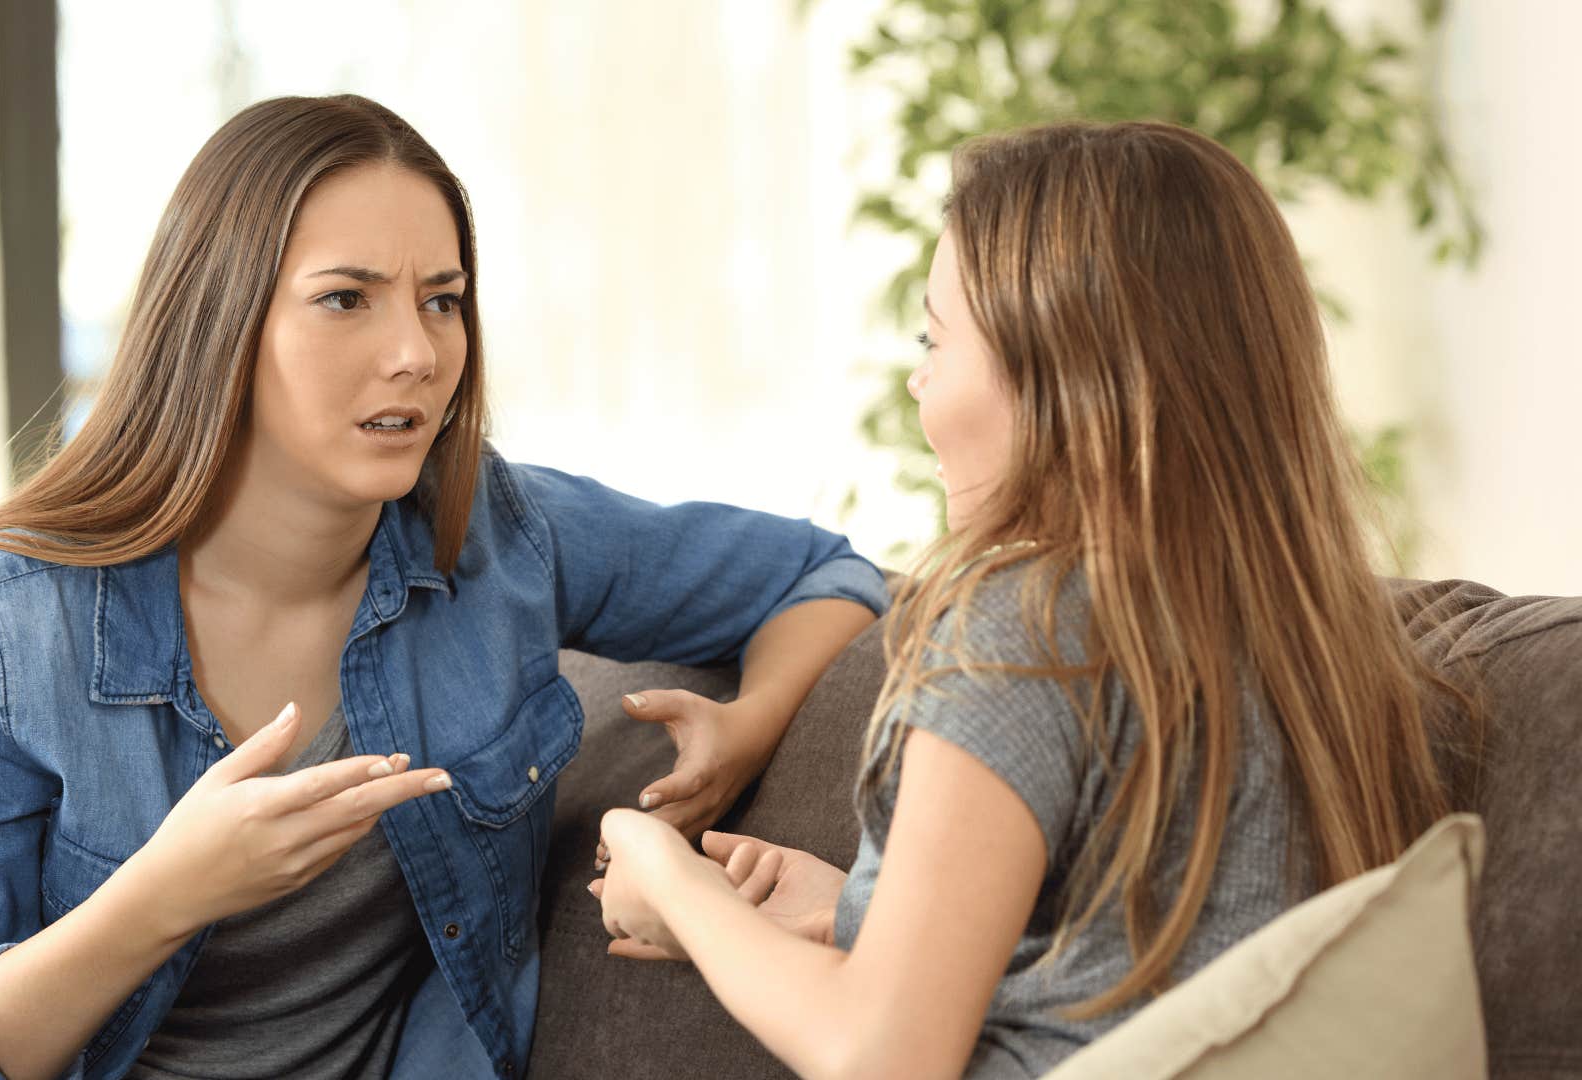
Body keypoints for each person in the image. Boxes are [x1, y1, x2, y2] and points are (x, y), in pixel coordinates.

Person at [0, 95, 885, 1080]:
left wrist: (742, 727)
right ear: (222, 323)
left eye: (442, 300)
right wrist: (164, 895)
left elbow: (822, 577)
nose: (417, 350)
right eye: (346, 299)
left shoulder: (493, 537)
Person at [590, 120, 1479, 1079]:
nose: (917, 378)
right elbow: (1145, 972)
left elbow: (878, 1056)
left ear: (1064, 374)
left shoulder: (1024, 626)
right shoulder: (1304, 631)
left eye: (936, 338)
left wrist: (677, 885)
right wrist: (864, 909)